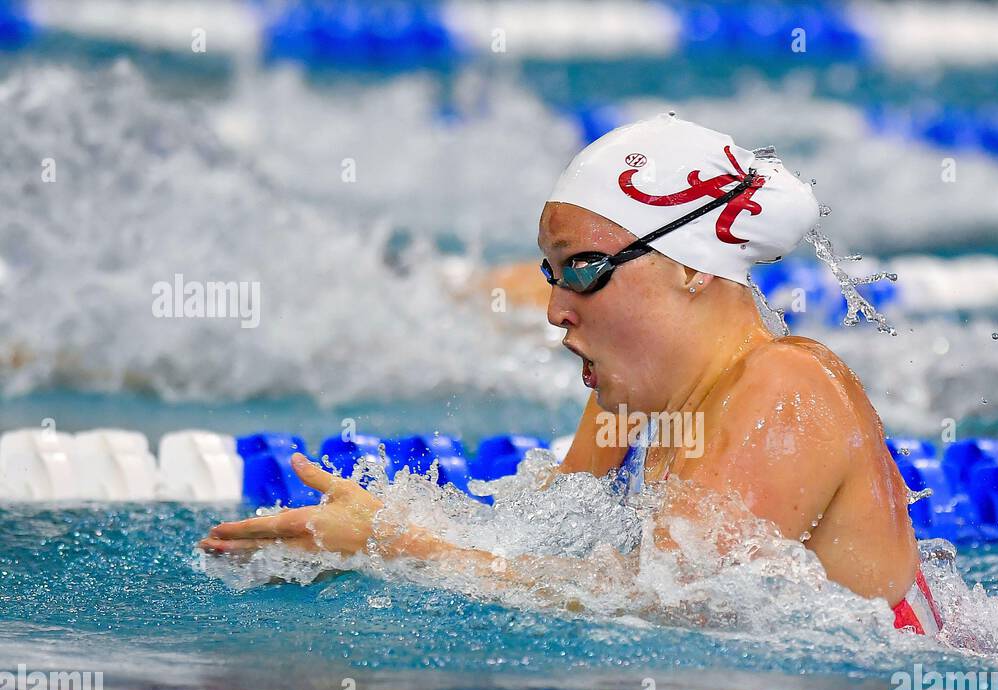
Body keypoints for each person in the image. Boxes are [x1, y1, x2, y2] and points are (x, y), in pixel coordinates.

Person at [200, 113, 942, 637]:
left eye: (583, 270)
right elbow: (534, 548)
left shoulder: (787, 388)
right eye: (552, 274)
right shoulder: (638, 397)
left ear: (689, 267)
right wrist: (382, 534)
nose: (554, 309)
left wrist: (395, 546)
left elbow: (673, 607)